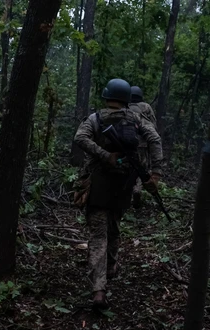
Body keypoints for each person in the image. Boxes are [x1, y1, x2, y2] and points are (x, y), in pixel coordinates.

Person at [74, 78, 163, 309]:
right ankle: (111, 266)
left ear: (106, 96)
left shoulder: (95, 118)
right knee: (113, 227)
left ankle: (98, 289)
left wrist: (103, 155)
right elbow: (154, 138)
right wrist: (156, 174)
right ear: (126, 99)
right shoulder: (136, 118)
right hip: (123, 184)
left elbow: (80, 138)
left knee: (98, 235)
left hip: (98, 184)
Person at [128, 86, 158, 208]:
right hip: (143, 146)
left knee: (129, 168)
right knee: (142, 169)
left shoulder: (126, 107)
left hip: (128, 145)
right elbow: (153, 126)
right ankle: (137, 190)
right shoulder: (146, 107)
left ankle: (130, 192)